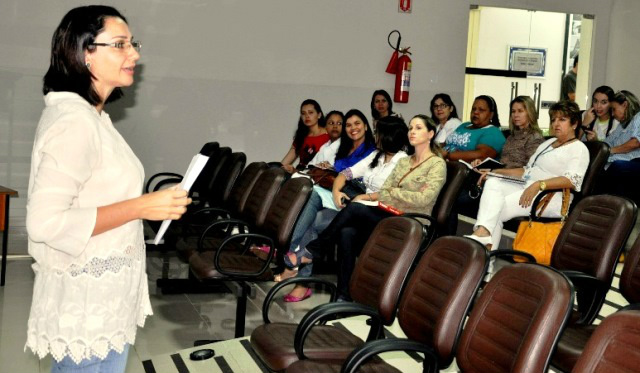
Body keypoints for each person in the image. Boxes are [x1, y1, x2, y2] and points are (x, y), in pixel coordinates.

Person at [24, 6, 191, 372]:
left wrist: (152, 204)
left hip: (105, 296)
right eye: (120, 44)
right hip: (87, 304)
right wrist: (142, 206)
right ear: (85, 53)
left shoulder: (93, 116)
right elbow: (45, 223)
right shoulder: (74, 121)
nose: (134, 54)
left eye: (133, 44)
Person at [284, 114, 447, 301]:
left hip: (412, 221)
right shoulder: (405, 162)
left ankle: (313, 250)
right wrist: (394, 194)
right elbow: (387, 190)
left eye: (418, 128)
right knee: (347, 232)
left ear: (431, 134)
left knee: (355, 207)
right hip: (388, 213)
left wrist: (393, 194)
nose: (412, 131)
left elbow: (423, 199)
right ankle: (343, 296)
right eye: (410, 127)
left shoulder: (436, 164)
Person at [466, 101, 589, 250]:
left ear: (574, 124)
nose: (556, 124)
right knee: (493, 182)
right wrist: (495, 172)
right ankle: (483, 235)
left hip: (551, 197)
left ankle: (484, 256)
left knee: (495, 210)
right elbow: (527, 171)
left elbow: (571, 180)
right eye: (553, 119)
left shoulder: (579, 149)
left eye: (562, 119)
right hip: (527, 186)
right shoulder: (548, 143)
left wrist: (539, 185)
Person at [457, 96, 545, 218]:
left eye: (520, 111)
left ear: (529, 113)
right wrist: (482, 163)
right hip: (500, 176)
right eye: (513, 111)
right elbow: (504, 161)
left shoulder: (534, 138)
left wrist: (496, 172)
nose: (515, 115)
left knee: (456, 198)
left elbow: (530, 171)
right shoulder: (511, 137)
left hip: (516, 182)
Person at [600, 90, 640, 204]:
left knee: (616, 166)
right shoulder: (622, 125)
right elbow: (608, 142)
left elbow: (636, 143)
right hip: (624, 160)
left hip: (636, 160)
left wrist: (610, 151)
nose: (612, 114)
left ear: (625, 105)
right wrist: (598, 148)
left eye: (614, 109)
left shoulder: (639, 117)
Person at [442, 95, 506, 162]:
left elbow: (481, 155)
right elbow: (445, 143)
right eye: (473, 109)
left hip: (463, 169)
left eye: (481, 110)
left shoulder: (493, 132)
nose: (475, 112)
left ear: (491, 114)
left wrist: (448, 155)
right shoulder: (464, 125)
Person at [280, 99, 329, 173]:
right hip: (300, 175)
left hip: (318, 177)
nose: (307, 116)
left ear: (319, 115)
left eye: (311, 113)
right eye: (303, 113)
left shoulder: (328, 136)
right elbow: (284, 163)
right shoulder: (301, 136)